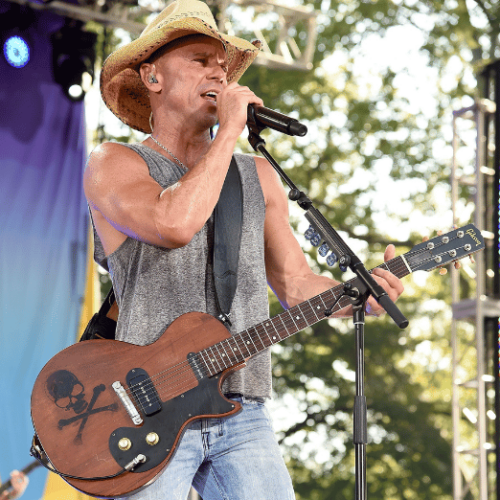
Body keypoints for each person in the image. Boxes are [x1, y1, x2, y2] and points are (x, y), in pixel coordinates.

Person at [84, 1, 404, 498]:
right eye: (200, 60)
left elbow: (296, 285)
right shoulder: (115, 163)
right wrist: (230, 130)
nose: (219, 72)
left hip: (241, 410)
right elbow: (174, 223)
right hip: (147, 412)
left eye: (223, 64)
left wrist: (362, 292)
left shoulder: (257, 177)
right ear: (152, 77)